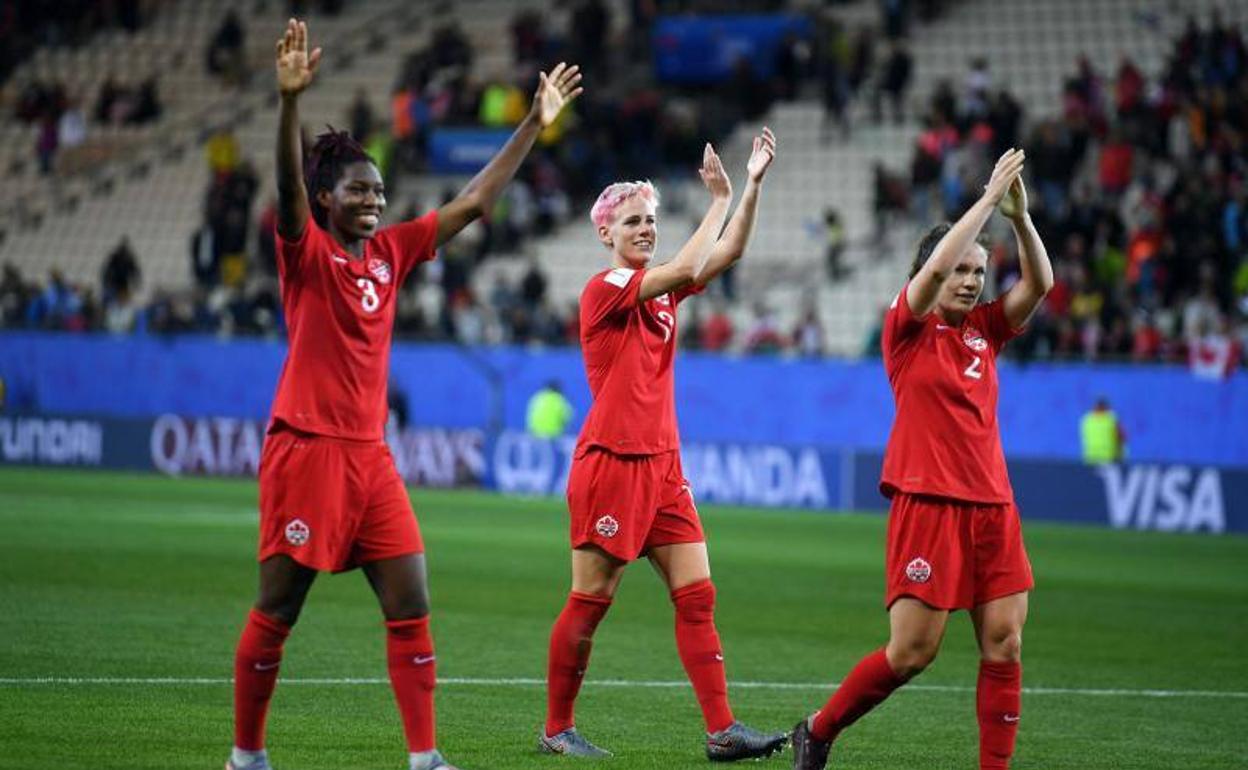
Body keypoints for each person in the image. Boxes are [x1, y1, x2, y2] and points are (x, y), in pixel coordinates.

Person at [225, 19, 581, 770]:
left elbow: (476, 204)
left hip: (370, 458)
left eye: (380, 190)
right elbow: (287, 192)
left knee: (411, 601)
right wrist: (289, 104)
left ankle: (425, 760)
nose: (375, 201)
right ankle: (246, 756)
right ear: (327, 198)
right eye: (359, 190)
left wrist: (530, 124)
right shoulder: (306, 252)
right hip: (307, 449)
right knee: (279, 609)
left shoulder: (391, 253)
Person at [791, 148, 1053, 770]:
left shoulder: (985, 330)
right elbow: (933, 271)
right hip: (928, 503)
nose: (969, 280)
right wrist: (985, 200)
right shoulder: (904, 329)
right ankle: (819, 730)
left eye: (978, 272)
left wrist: (1018, 219)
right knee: (912, 652)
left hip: (993, 506)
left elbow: (1040, 284)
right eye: (960, 269)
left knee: (1005, 643)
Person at [540, 128, 786, 761]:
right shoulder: (604, 290)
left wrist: (750, 187)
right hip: (613, 463)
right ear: (606, 234)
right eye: (633, 222)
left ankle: (722, 730)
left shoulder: (663, 294)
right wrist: (714, 200)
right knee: (591, 602)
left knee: (697, 595)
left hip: (664, 467)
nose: (646, 229)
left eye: (650, 219)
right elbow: (687, 262)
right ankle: (557, 729)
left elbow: (725, 254)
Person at [1080, 397, 1125, 464]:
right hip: (1109, 457)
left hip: (1090, 458)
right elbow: (1122, 437)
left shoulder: (1086, 419)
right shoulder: (1111, 418)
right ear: (1106, 408)